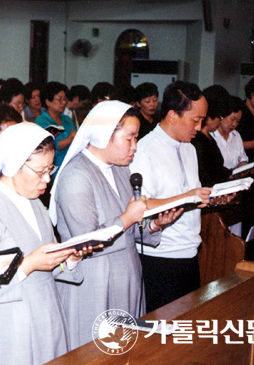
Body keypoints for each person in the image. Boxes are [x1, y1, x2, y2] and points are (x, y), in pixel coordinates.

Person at [50, 101, 178, 347]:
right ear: (104, 135)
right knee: (93, 350)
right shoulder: (76, 175)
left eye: (136, 138)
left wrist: (152, 226)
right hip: (95, 280)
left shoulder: (120, 169)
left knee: (127, 350)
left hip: (127, 273)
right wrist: (128, 217)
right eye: (129, 138)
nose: (135, 147)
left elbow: (129, 228)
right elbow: (86, 241)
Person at [0, 122, 87, 365]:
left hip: (46, 319)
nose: (47, 180)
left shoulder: (34, 203)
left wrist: (69, 260)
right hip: (7, 328)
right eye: (40, 171)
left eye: (50, 170)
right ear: (15, 164)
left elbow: (46, 268)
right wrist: (27, 265)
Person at [130, 81, 232, 312]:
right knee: (161, 335)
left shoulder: (189, 147)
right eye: (195, 120)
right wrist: (188, 196)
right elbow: (141, 206)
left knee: (185, 327)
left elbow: (190, 196)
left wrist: (210, 199)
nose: (200, 126)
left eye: (202, 120)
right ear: (172, 115)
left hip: (190, 251)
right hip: (161, 257)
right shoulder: (145, 150)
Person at [191, 85, 232, 187]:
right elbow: (203, 173)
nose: (221, 121)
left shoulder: (210, 138)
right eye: (220, 117)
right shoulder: (196, 139)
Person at [35, 81, 77, 169]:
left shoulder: (67, 119)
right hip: (53, 166)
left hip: (72, 163)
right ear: (48, 102)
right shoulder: (41, 121)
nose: (64, 102)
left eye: (65, 99)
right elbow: (47, 147)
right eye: (59, 99)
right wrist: (68, 140)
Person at [211, 96, 249, 171]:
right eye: (232, 119)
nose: (234, 124)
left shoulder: (236, 135)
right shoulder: (211, 135)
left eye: (237, 121)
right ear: (222, 115)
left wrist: (244, 167)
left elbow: (242, 159)